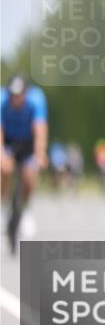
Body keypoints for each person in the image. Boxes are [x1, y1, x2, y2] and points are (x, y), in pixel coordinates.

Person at [1, 74, 48, 251]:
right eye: (12, 95)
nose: (16, 98)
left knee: (29, 175)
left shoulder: (36, 100)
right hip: (9, 142)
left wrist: (40, 153)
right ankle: (2, 208)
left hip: (28, 143)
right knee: (4, 170)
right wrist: (2, 155)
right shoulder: (2, 101)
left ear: (26, 93)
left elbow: (40, 129)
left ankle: (26, 211)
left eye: (19, 95)